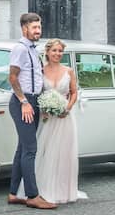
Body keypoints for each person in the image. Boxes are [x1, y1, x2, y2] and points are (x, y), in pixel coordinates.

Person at [7, 13, 57, 209]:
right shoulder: (20, 49)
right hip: (23, 103)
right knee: (30, 149)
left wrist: (41, 102)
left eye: (39, 27)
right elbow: (12, 78)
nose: (38, 31)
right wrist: (24, 102)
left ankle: (13, 193)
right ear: (24, 28)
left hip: (34, 101)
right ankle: (32, 196)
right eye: (34, 27)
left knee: (22, 149)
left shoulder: (33, 49)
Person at [34, 38, 84, 204]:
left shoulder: (68, 71)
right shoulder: (41, 70)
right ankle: (43, 189)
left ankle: (63, 190)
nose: (57, 54)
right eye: (54, 50)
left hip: (64, 118)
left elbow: (74, 92)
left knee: (64, 154)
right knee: (45, 152)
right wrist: (45, 108)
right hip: (47, 117)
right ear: (48, 52)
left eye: (60, 51)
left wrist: (67, 108)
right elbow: (38, 92)